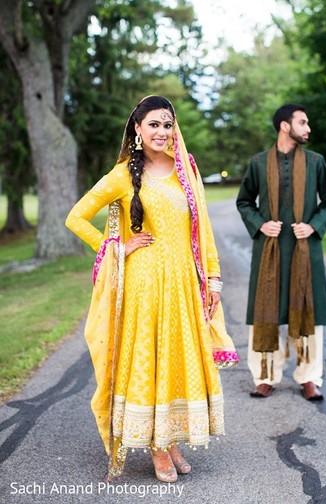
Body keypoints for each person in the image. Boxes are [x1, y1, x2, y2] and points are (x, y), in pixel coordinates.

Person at [65, 95, 238, 483]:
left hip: (183, 284)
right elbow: (76, 218)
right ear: (138, 130)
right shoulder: (123, 175)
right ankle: (158, 449)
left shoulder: (186, 170)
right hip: (144, 285)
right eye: (154, 125)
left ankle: (170, 439)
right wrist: (115, 247)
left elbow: (204, 231)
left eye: (167, 124)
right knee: (150, 360)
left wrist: (212, 278)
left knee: (176, 360)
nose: (162, 131)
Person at [236, 103, 326, 401]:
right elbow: (244, 202)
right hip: (269, 251)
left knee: (308, 310)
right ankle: (266, 376)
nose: (308, 129)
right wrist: (260, 224)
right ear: (285, 125)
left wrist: (313, 226)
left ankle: (309, 378)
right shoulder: (257, 163)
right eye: (303, 122)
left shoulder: (316, 162)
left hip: (305, 250)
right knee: (265, 312)